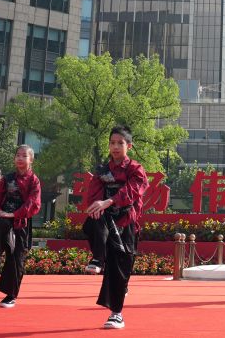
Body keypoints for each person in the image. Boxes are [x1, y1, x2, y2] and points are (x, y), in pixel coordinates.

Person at [83, 125, 148, 330]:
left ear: (129, 146)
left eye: (120, 143)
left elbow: (133, 191)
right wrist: (96, 206)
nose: (116, 147)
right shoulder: (102, 170)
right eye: (112, 143)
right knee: (90, 222)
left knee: (121, 267)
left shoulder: (135, 169)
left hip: (126, 222)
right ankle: (98, 258)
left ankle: (116, 313)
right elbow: (93, 194)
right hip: (105, 220)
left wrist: (109, 201)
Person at [0, 145, 41, 308]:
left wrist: (15, 214)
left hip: (21, 222)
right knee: (0, 224)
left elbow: (33, 203)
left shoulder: (34, 180)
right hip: (4, 219)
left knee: (17, 258)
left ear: (31, 160)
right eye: (18, 155)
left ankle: (10, 296)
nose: (20, 158)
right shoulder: (7, 178)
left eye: (24, 156)